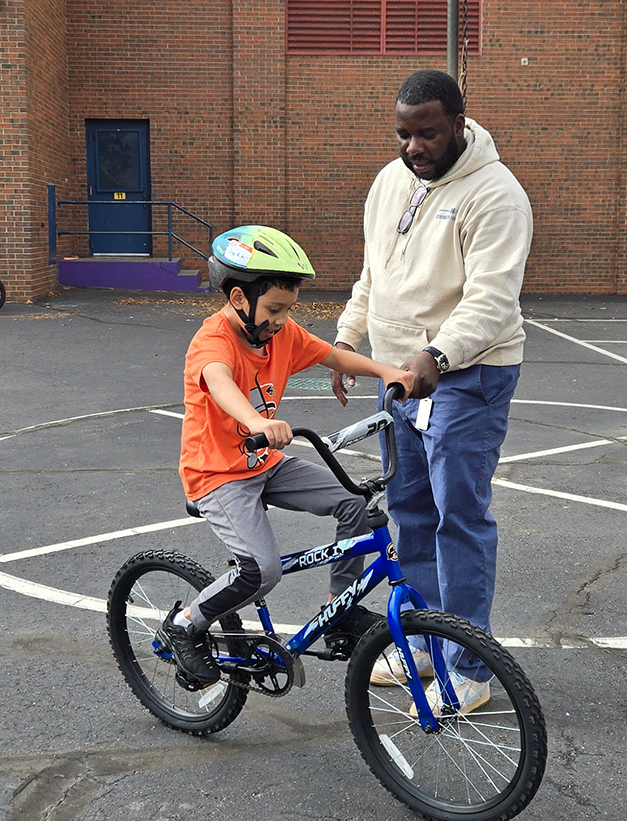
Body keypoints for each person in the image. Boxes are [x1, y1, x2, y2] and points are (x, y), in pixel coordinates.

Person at [329, 69, 533, 708]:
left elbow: (492, 301)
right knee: (411, 511)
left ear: (459, 124)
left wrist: (438, 355)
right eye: (404, 134)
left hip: (467, 374)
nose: (414, 147)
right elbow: (374, 269)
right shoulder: (391, 181)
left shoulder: (495, 195)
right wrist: (348, 336)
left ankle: (469, 667)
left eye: (428, 134)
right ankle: (420, 641)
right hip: (398, 374)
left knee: (458, 518)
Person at [163, 225, 416, 687]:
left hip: (264, 464)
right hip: (217, 475)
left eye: (288, 310)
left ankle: (340, 610)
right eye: (275, 308)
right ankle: (184, 626)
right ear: (239, 298)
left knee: (354, 502)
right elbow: (219, 382)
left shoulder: (280, 335)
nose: (282, 320)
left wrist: (388, 371)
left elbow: (333, 358)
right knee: (261, 571)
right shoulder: (213, 341)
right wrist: (258, 422)